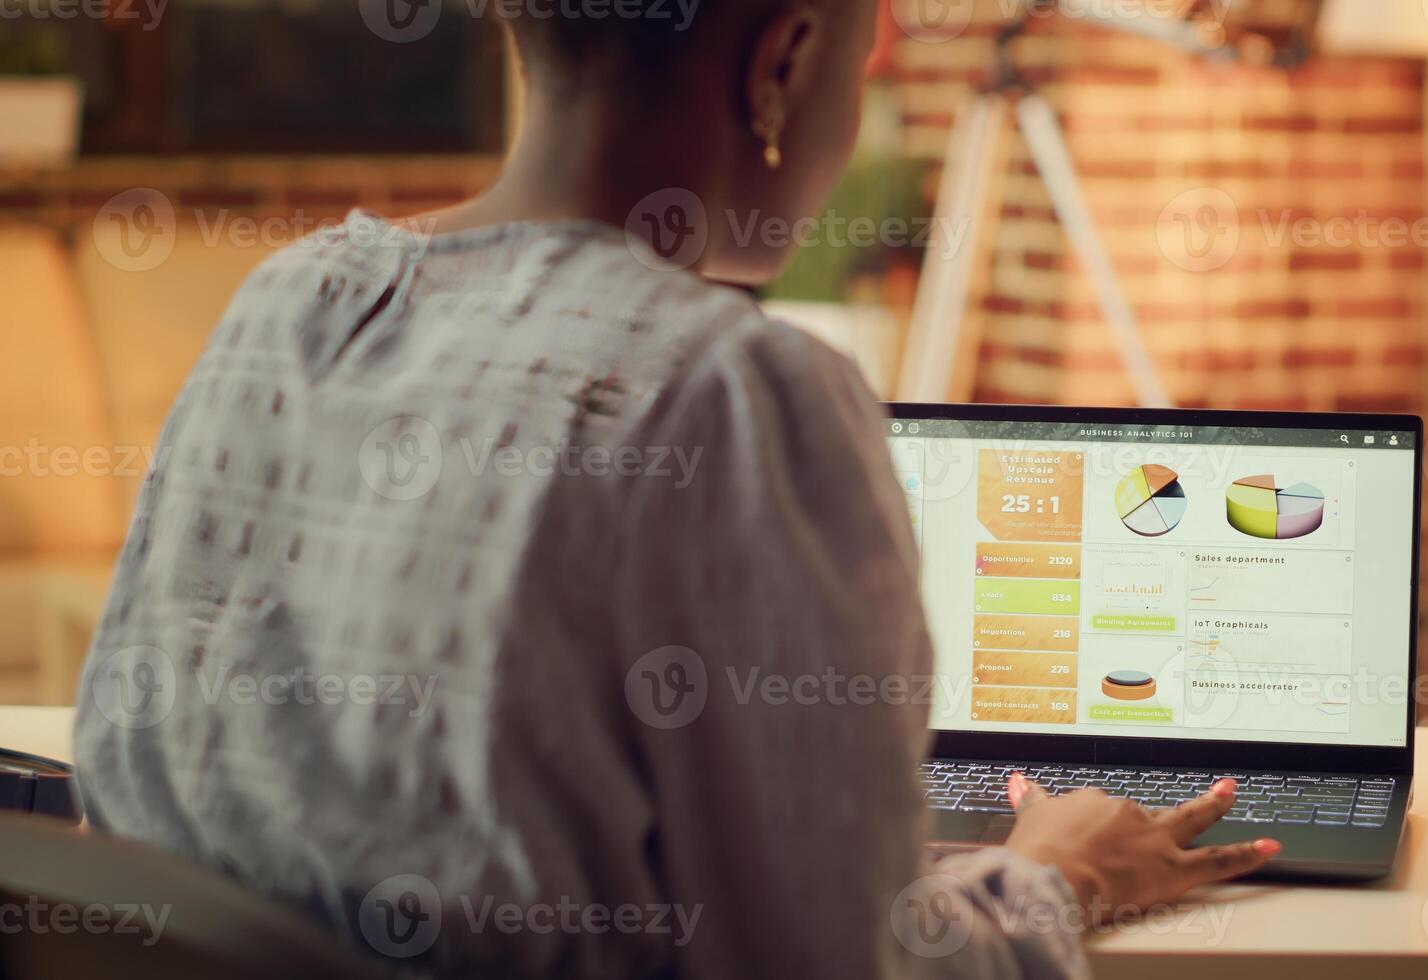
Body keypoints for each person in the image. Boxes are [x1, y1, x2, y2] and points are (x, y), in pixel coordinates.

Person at [72, 0, 1278, 976]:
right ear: (785, 62)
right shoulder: (739, 395)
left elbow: (130, 803)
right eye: (860, 68)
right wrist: (1061, 875)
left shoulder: (293, 302)